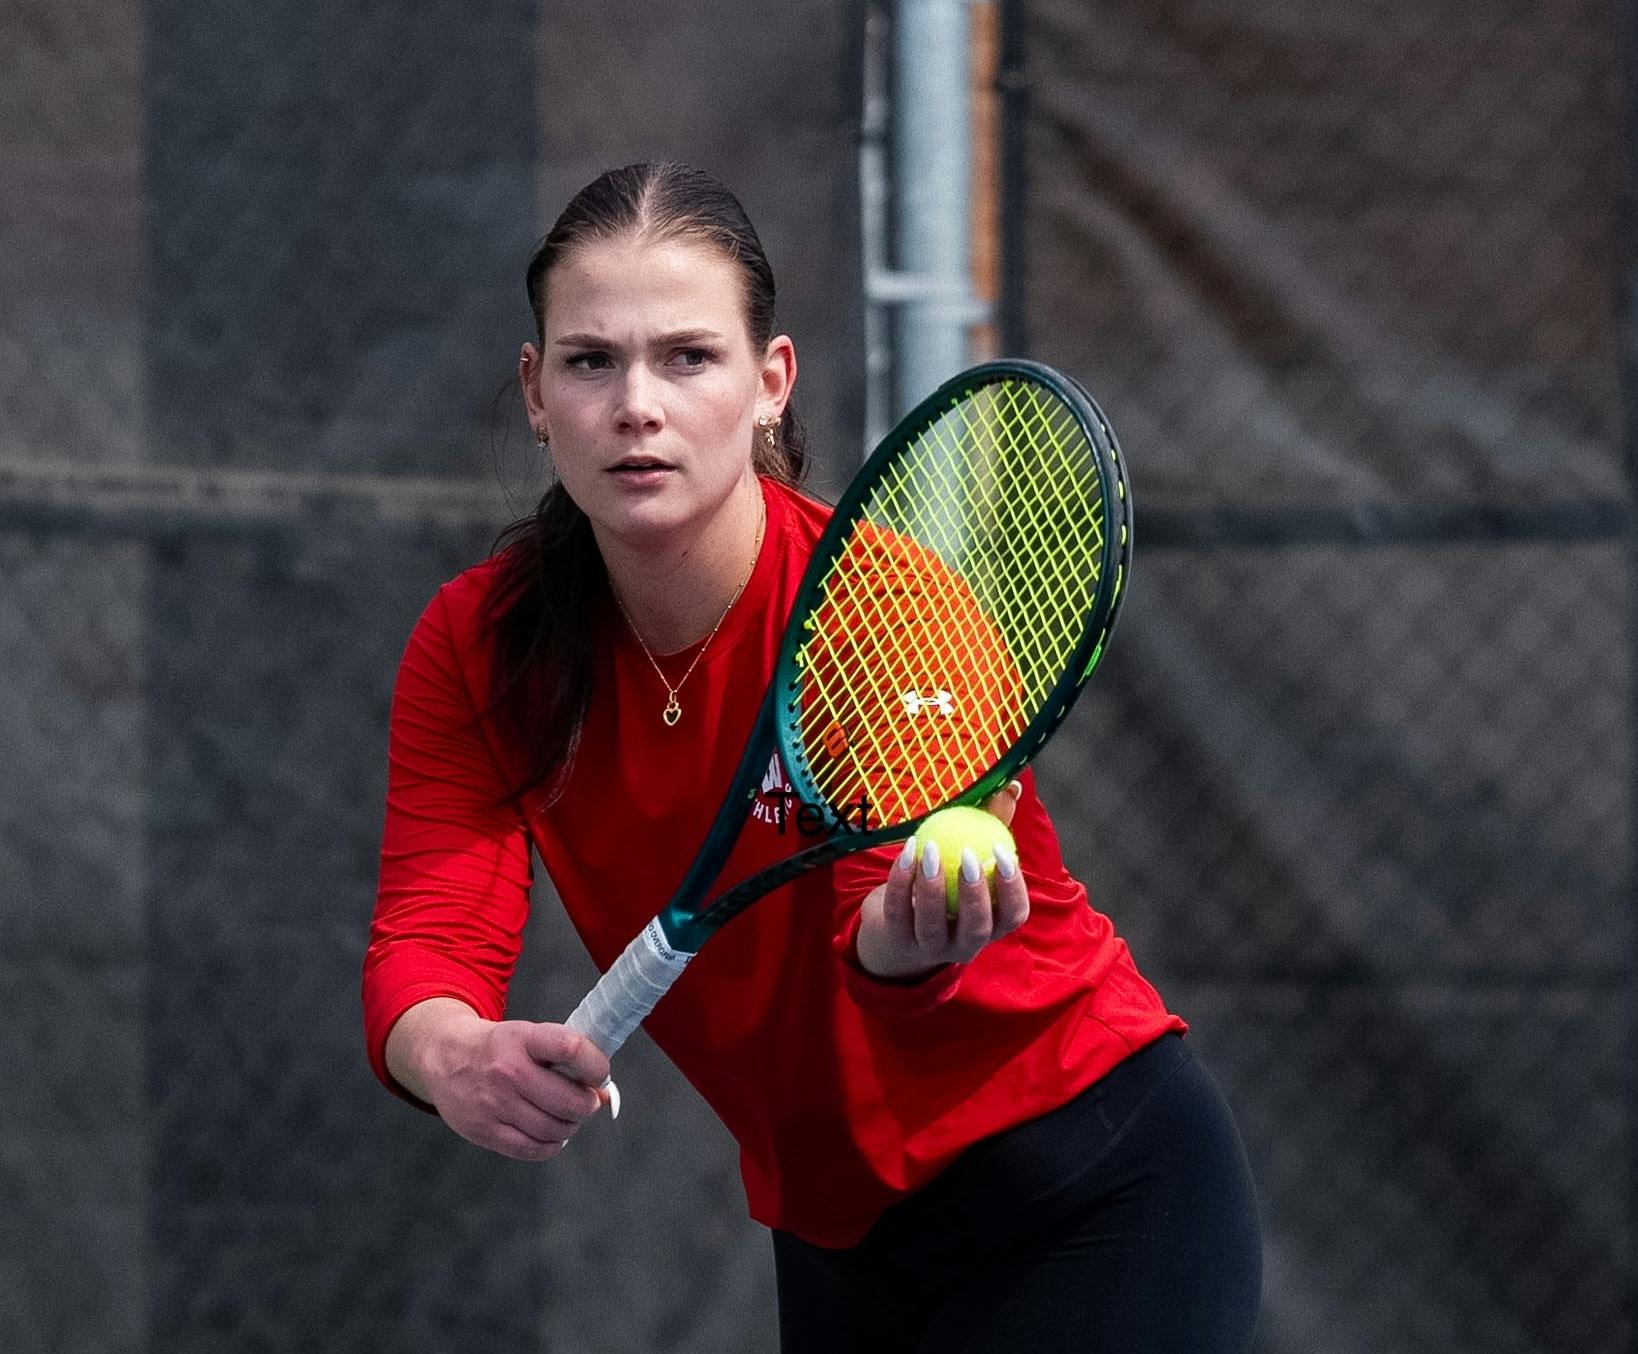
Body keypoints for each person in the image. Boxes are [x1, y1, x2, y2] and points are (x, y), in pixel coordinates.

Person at [363, 162, 1262, 1352]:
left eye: (689, 357)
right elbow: (432, 927)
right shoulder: (477, 643)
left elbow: (877, 937)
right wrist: (448, 1051)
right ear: (536, 393)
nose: (638, 404)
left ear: (770, 383)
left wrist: (911, 932)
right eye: (592, 361)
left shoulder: (887, 607)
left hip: (1084, 1185)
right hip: (840, 1231)